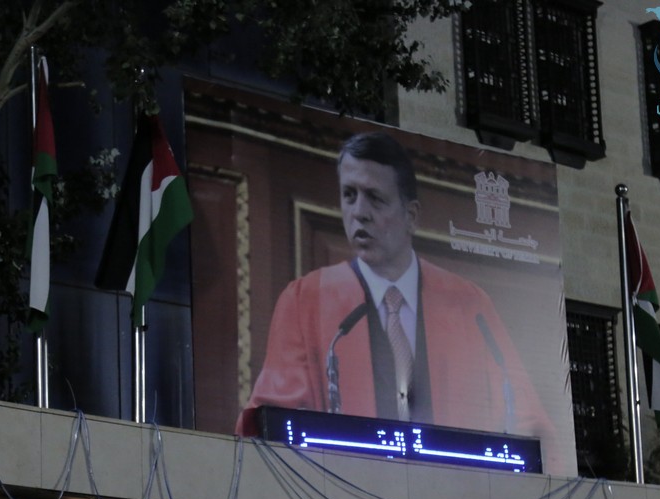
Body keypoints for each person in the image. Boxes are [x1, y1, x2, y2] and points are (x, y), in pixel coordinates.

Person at [236, 131, 556, 466]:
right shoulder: (306, 301)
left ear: (411, 216)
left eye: (375, 198)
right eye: (349, 195)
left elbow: (531, 427)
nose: (359, 212)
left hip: (455, 489)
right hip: (344, 489)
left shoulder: (469, 305)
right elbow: (271, 428)